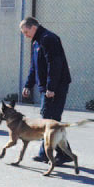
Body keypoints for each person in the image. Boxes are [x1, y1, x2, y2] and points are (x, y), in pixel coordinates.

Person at [19, 17, 74, 165]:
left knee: (49, 120)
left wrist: (51, 88)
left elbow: (54, 64)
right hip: (49, 87)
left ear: (33, 27)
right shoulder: (37, 41)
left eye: (25, 32)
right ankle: (56, 154)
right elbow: (34, 66)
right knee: (49, 120)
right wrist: (28, 85)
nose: (25, 35)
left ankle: (54, 154)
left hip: (56, 87)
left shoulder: (48, 39)